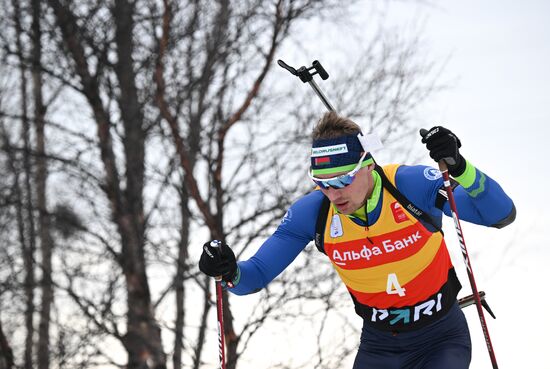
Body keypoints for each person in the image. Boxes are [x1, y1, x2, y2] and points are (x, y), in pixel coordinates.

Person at [199, 112, 516, 369]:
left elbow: (500, 215)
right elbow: (253, 277)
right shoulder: (314, 213)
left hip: (440, 338)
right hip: (379, 347)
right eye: (322, 184)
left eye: (342, 180)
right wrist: (227, 271)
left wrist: (460, 167)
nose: (334, 194)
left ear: (367, 164)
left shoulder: (408, 186)